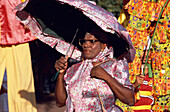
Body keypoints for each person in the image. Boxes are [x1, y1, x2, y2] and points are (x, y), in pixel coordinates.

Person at [54, 28, 135, 112]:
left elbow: (130, 100)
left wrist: (106, 76)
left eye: (91, 41)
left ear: (103, 45)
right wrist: (61, 74)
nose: (85, 45)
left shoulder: (115, 66)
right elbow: (60, 102)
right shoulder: (74, 70)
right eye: (83, 41)